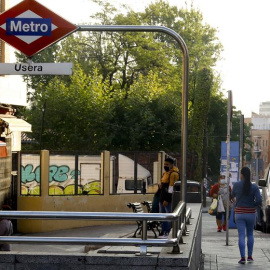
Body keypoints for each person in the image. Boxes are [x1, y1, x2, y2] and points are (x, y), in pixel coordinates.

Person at [232, 167, 262, 264]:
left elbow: (232, 195)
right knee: (250, 234)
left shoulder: (236, 185)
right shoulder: (254, 187)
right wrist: (252, 205)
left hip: (239, 213)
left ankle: (242, 257)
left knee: (241, 235)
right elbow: (259, 200)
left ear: (242, 175)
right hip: (250, 213)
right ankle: (249, 256)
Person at [158, 157, 179, 238]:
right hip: (162, 195)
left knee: (167, 215)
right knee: (162, 215)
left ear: (171, 165)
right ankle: (163, 231)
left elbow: (171, 188)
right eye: (164, 164)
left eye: (167, 164)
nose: (165, 166)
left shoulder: (173, 174)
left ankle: (167, 231)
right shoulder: (165, 173)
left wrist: (167, 199)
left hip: (167, 197)